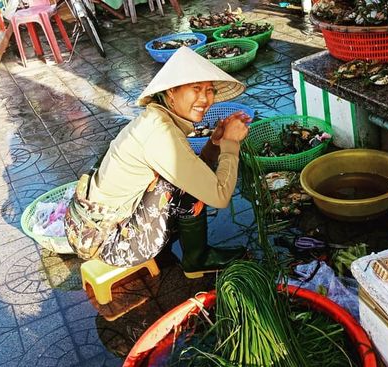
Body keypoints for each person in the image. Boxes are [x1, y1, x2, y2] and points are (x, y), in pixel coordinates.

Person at [65, 47, 251, 278]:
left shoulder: (157, 118)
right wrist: (231, 143)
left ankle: (195, 255)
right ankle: (197, 258)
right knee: (180, 186)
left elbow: (194, 169)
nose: (205, 98)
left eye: (209, 90)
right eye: (196, 89)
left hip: (93, 228)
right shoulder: (159, 132)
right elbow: (220, 195)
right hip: (106, 242)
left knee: (184, 178)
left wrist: (215, 143)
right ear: (171, 92)